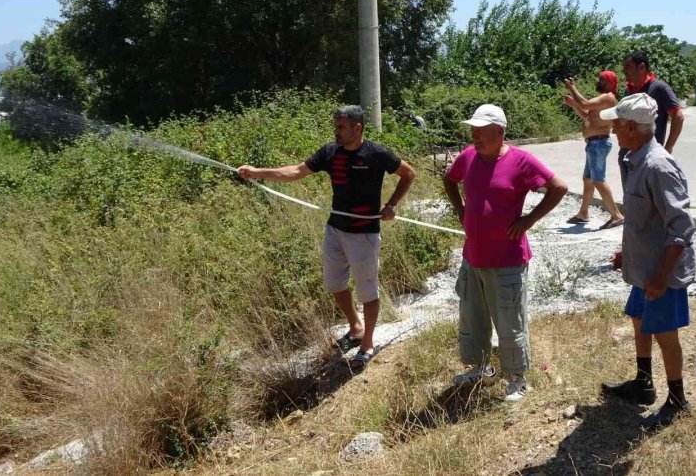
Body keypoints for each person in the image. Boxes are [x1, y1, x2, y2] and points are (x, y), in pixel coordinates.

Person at [237, 105, 416, 369]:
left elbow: (409, 173)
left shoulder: (376, 154)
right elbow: (296, 172)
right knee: (334, 283)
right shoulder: (330, 152)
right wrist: (257, 172)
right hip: (335, 230)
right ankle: (355, 327)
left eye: (341, 127)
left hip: (364, 234)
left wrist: (391, 205)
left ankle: (367, 343)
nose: (336, 132)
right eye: (335, 127)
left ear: (357, 128)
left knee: (368, 291)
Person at [443, 104, 568, 402]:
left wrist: (529, 220)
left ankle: (517, 379)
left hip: (507, 259)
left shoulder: (520, 160)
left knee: (510, 320)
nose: (475, 136)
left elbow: (559, 187)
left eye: (481, 131)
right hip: (473, 256)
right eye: (473, 130)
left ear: (499, 132)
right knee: (473, 318)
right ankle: (482, 369)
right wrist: (461, 210)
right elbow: (449, 179)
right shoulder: (468, 156)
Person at [598, 93, 696, 430]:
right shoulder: (634, 160)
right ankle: (643, 384)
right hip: (644, 267)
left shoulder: (658, 165)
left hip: (660, 271)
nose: (613, 130)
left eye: (617, 125)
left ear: (632, 127)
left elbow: (681, 226)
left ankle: (678, 400)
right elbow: (643, 218)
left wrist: (662, 275)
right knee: (639, 320)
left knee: (665, 334)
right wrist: (627, 254)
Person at [562, 71, 625, 229]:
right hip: (594, 144)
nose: (599, 81)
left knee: (598, 180)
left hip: (598, 144)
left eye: (602, 79)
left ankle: (617, 215)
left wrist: (572, 88)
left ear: (611, 82)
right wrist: (574, 105)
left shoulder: (608, 97)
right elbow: (587, 116)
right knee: (588, 179)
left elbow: (584, 103)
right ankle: (583, 213)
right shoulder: (603, 99)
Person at [619, 50, 685, 188]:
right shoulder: (628, 91)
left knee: (649, 196)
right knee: (631, 196)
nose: (624, 70)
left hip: (647, 158)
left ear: (642, 67)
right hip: (627, 157)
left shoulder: (659, 88)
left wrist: (668, 148)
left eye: (627, 67)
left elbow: (678, 117)